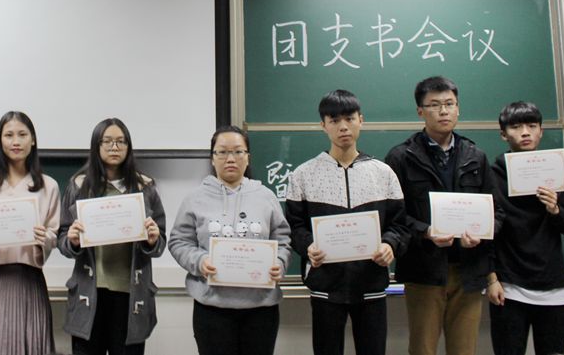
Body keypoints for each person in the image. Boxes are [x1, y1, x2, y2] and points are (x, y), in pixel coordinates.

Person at [385, 76, 503, 355]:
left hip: (469, 270)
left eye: (450, 104)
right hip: (424, 271)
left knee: (464, 349)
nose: (444, 111)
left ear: (458, 108)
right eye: (435, 105)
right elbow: (393, 217)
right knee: (423, 348)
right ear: (420, 111)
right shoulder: (401, 157)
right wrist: (426, 232)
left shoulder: (476, 155)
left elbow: (497, 212)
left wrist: (482, 232)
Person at [285, 90, 409, 355]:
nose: (343, 127)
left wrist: (390, 245)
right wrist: (308, 246)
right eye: (334, 120)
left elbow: (400, 225)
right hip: (325, 285)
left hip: (371, 283)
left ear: (361, 120)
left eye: (350, 119)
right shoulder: (303, 174)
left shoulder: (383, 173)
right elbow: (294, 227)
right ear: (323, 125)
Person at [169, 125, 292, 355]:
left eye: (238, 151)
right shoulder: (195, 198)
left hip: (261, 308)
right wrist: (200, 261)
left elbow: (283, 239)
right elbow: (179, 241)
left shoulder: (266, 197)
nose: (231, 158)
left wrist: (279, 262)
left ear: (248, 157)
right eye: (223, 152)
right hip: (211, 307)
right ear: (212, 158)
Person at [57, 118, 166, 355]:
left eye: (120, 141)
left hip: (130, 294)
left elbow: (161, 241)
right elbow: (62, 238)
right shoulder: (79, 185)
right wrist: (72, 241)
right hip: (89, 294)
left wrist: (153, 240)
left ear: (128, 146)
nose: (114, 147)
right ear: (96, 146)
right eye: (107, 141)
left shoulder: (145, 187)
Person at [0, 111, 60, 355]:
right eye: (8, 135)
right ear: (0, 141)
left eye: (22, 134)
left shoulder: (48, 186)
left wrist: (45, 238)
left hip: (28, 282)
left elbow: (54, 234)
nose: (15, 141)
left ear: (33, 140)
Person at [486, 101, 564, 355]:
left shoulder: (558, 173)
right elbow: (487, 233)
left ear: (541, 131)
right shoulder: (492, 177)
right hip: (509, 287)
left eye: (532, 126)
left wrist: (556, 210)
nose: (525, 132)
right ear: (503, 134)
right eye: (516, 127)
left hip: (554, 286)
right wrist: (491, 278)